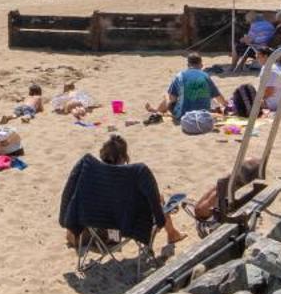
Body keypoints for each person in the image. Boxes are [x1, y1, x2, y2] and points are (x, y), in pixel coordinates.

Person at [57, 135, 185, 250]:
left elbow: (68, 194)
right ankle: (172, 233)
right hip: (116, 232)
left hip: (90, 226)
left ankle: (76, 237)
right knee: (159, 198)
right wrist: (160, 221)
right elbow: (153, 202)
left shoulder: (90, 171)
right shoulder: (136, 173)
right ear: (124, 157)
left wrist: (66, 221)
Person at [149, 53, 219, 120]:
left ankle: (158, 111)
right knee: (209, 97)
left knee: (167, 96)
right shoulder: (206, 76)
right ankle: (160, 111)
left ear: (188, 65)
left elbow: (172, 99)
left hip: (184, 114)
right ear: (201, 65)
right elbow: (218, 97)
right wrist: (226, 106)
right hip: (204, 113)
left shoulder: (180, 76)